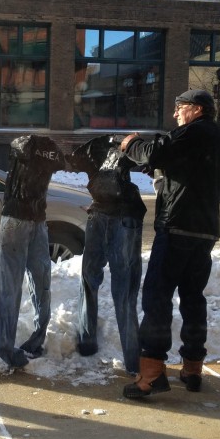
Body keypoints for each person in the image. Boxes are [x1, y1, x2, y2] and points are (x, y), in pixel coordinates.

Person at [119, 89, 220, 397]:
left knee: (157, 296)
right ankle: (192, 367)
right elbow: (181, 167)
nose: (175, 114)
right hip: (205, 232)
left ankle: (152, 373)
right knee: (193, 298)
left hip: (177, 227)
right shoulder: (218, 139)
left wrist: (131, 145)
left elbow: (156, 152)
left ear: (195, 109)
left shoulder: (193, 132)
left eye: (179, 108)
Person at [66, 135, 147, 375]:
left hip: (115, 216)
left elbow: (150, 157)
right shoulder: (100, 148)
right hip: (107, 215)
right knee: (115, 286)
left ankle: (120, 355)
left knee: (110, 285)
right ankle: (126, 359)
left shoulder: (101, 149)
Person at [0, 134, 65, 369]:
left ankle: (18, 345)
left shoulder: (24, 146)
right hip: (30, 220)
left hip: (24, 219)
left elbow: (56, 161)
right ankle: (18, 345)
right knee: (34, 280)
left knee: (12, 283)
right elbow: (60, 162)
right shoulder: (37, 148)